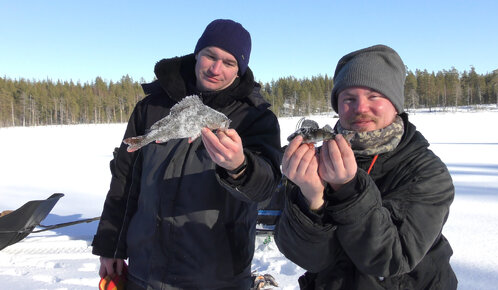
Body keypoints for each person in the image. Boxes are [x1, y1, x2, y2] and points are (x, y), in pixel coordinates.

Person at [92, 19, 282, 289]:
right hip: (144, 273)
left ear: (239, 71)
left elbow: (265, 188)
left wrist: (240, 167)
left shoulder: (255, 118)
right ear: (197, 54)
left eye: (229, 63)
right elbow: (124, 179)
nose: (216, 69)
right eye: (210, 56)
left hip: (217, 277)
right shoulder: (152, 107)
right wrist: (111, 244)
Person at [275, 45, 457, 289]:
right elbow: (307, 257)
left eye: (374, 96)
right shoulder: (316, 159)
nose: (360, 108)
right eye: (349, 99)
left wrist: (347, 189)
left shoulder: (426, 172)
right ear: (338, 106)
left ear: (395, 104)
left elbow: (391, 259)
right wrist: (311, 197)